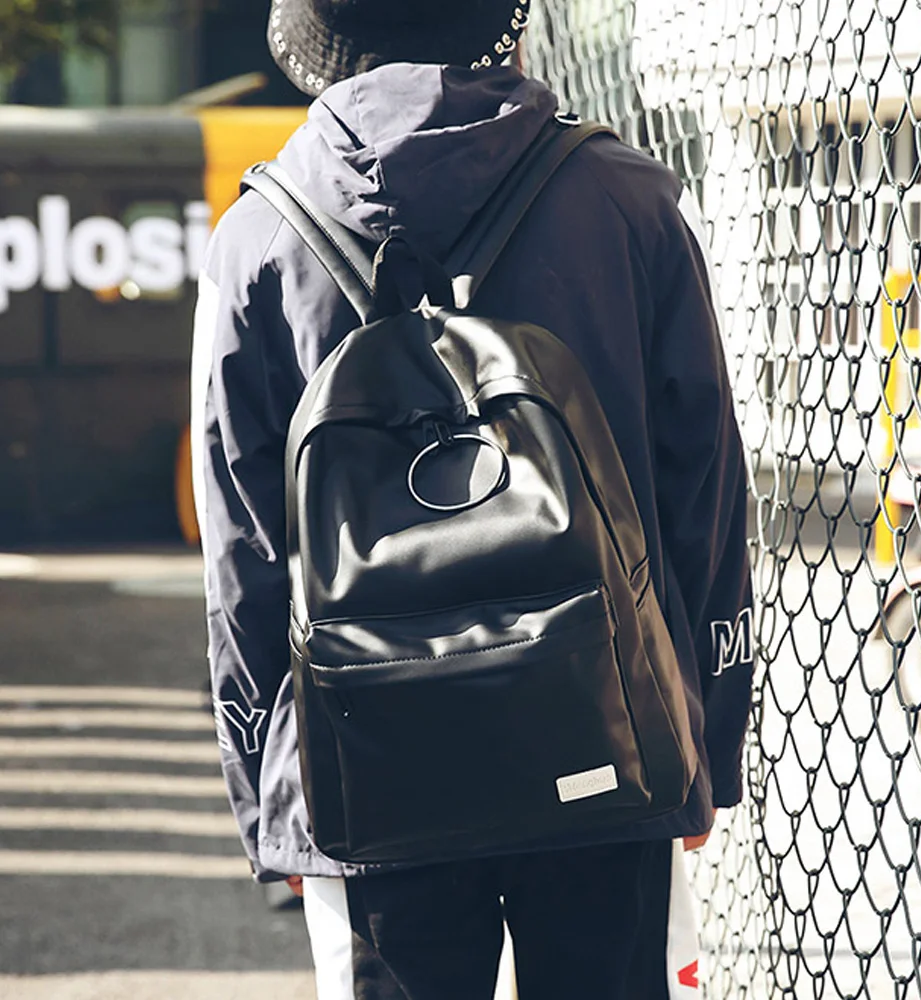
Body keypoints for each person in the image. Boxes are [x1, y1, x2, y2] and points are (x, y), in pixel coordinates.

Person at [191, 1, 754, 996]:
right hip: (605, 727)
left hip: (365, 758)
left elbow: (243, 549)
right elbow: (700, 489)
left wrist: (273, 787)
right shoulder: (625, 199)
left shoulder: (259, 238)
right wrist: (700, 739)